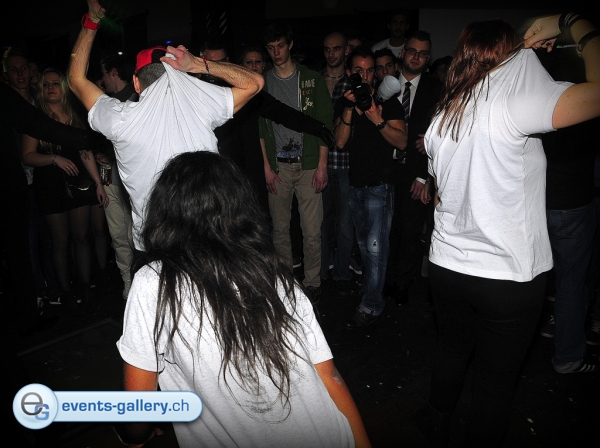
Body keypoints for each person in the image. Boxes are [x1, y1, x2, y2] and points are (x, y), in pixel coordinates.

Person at [416, 14, 600, 447]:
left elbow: (439, 195)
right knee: (495, 382)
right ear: (510, 55)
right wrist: (572, 22)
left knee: (451, 349)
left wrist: (525, 55)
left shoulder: (445, 112)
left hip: (446, 267)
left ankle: (435, 422)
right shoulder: (517, 104)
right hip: (506, 277)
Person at [116, 151, 371, 448]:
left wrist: (131, 435)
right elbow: (329, 376)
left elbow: (138, 416)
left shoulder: (155, 283)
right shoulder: (272, 273)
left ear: (165, 211)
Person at [68, 0, 264, 251]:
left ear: (136, 84)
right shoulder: (202, 105)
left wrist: (92, 21)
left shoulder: (120, 119)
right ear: (178, 76)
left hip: (155, 245)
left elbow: (75, 79)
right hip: (205, 241)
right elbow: (255, 83)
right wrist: (198, 63)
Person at [334, 46, 407, 329]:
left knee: (376, 248)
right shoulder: (346, 102)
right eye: (358, 71)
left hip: (380, 185)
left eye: (369, 70)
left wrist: (377, 118)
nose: (364, 76)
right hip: (356, 185)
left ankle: (372, 304)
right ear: (349, 73)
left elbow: (402, 141)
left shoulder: (388, 102)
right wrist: (350, 108)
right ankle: (371, 289)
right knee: (365, 246)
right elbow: (340, 142)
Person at [22, 68, 108, 306]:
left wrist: (98, 184)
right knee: (60, 242)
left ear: (63, 88)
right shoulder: (35, 119)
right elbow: (27, 156)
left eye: (55, 83)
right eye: (46, 84)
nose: (50, 88)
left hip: (78, 182)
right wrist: (53, 158)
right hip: (50, 185)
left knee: (81, 237)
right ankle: (67, 294)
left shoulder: (76, 116)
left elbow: (85, 152)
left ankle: (86, 288)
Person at [260, 22, 333, 303]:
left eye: (281, 45)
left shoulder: (311, 79)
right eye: (271, 47)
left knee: (311, 230)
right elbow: (261, 129)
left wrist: (322, 165)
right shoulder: (263, 82)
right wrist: (266, 167)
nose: (276, 52)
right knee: (279, 230)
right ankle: (285, 282)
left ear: (290, 45)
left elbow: (325, 124)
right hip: (278, 165)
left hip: (309, 164)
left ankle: (312, 281)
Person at [384, 31, 442, 306]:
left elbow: (443, 134)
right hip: (384, 168)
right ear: (402, 53)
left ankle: (402, 284)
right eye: (412, 51)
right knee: (384, 230)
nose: (416, 57)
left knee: (409, 231)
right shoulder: (385, 84)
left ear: (428, 58)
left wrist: (425, 175)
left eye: (422, 54)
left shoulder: (436, 89)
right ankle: (382, 280)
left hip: (416, 171)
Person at [96, 52, 136, 299]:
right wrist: (101, 154)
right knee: (117, 233)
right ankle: (127, 281)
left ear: (113, 73)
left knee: (135, 234)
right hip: (110, 176)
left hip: (132, 177)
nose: (102, 80)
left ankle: (141, 281)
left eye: (104, 74)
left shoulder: (138, 99)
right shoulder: (104, 104)